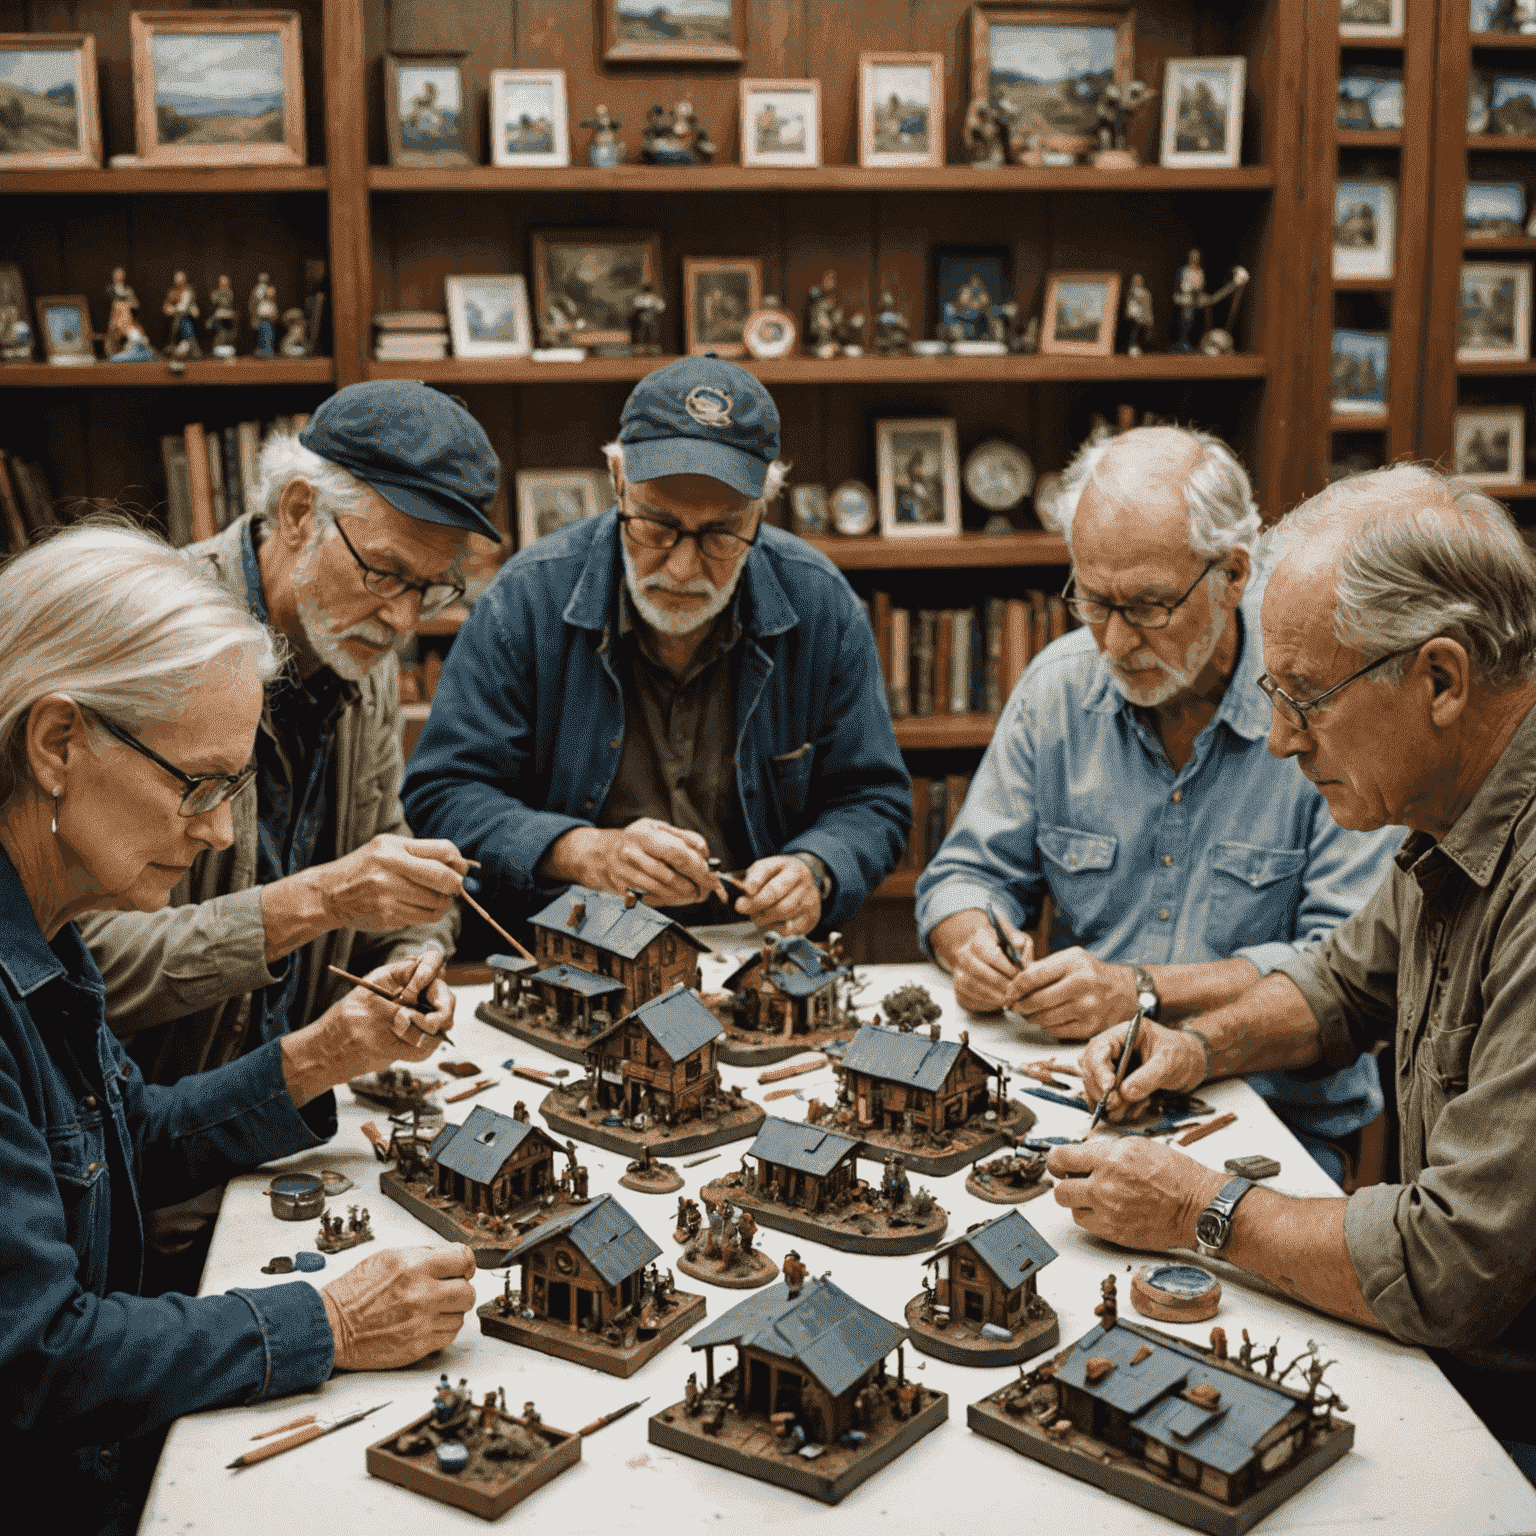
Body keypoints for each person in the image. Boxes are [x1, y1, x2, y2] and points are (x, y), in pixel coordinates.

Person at [1056, 463, 1536, 1479]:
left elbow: (1449, 1264)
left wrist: (1195, 1208)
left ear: (1441, 680)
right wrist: (1191, 1047)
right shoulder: (1458, 803)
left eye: (1306, 697)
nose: (1279, 740)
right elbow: (1342, 985)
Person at [0, 522, 478, 1534]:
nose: (220, 830)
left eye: (234, 789)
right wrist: (329, 1321)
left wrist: (330, 1052)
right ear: (56, 744)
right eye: (198, 784)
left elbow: (131, 1139)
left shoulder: (50, 922)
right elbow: (35, 1357)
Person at [79, 380, 498, 1283]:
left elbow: (399, 869)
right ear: (300, 511)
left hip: (290, 1142)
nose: (403, 619)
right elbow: (83, 966)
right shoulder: (154, 637)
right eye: (385, 572)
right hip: (137, 1191)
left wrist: (412, 958)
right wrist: (316, 901)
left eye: (431, 588)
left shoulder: (357, 652)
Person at [917, 427, 1401, 1179]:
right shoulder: (1058, 689)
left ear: (1233, 573)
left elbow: (1349, 966)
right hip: (1083, 1100)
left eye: (1147, 606)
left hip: (1274, 1123)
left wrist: (1138, 993)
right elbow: (964, 876)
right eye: (1092, 600)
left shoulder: (1326, 708)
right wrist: (975, 940)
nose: (1114, 643)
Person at [403, 356, 909, 942]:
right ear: (618, 480)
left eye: (720, 534)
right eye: (656, 526)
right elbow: (443, 794)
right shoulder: (526, 598)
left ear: (760, 511)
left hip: (756, 951)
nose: (683, 568)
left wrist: (816, 869)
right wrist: (583, 852)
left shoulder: (820, 604)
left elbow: (874, 800)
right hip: (570, 947)